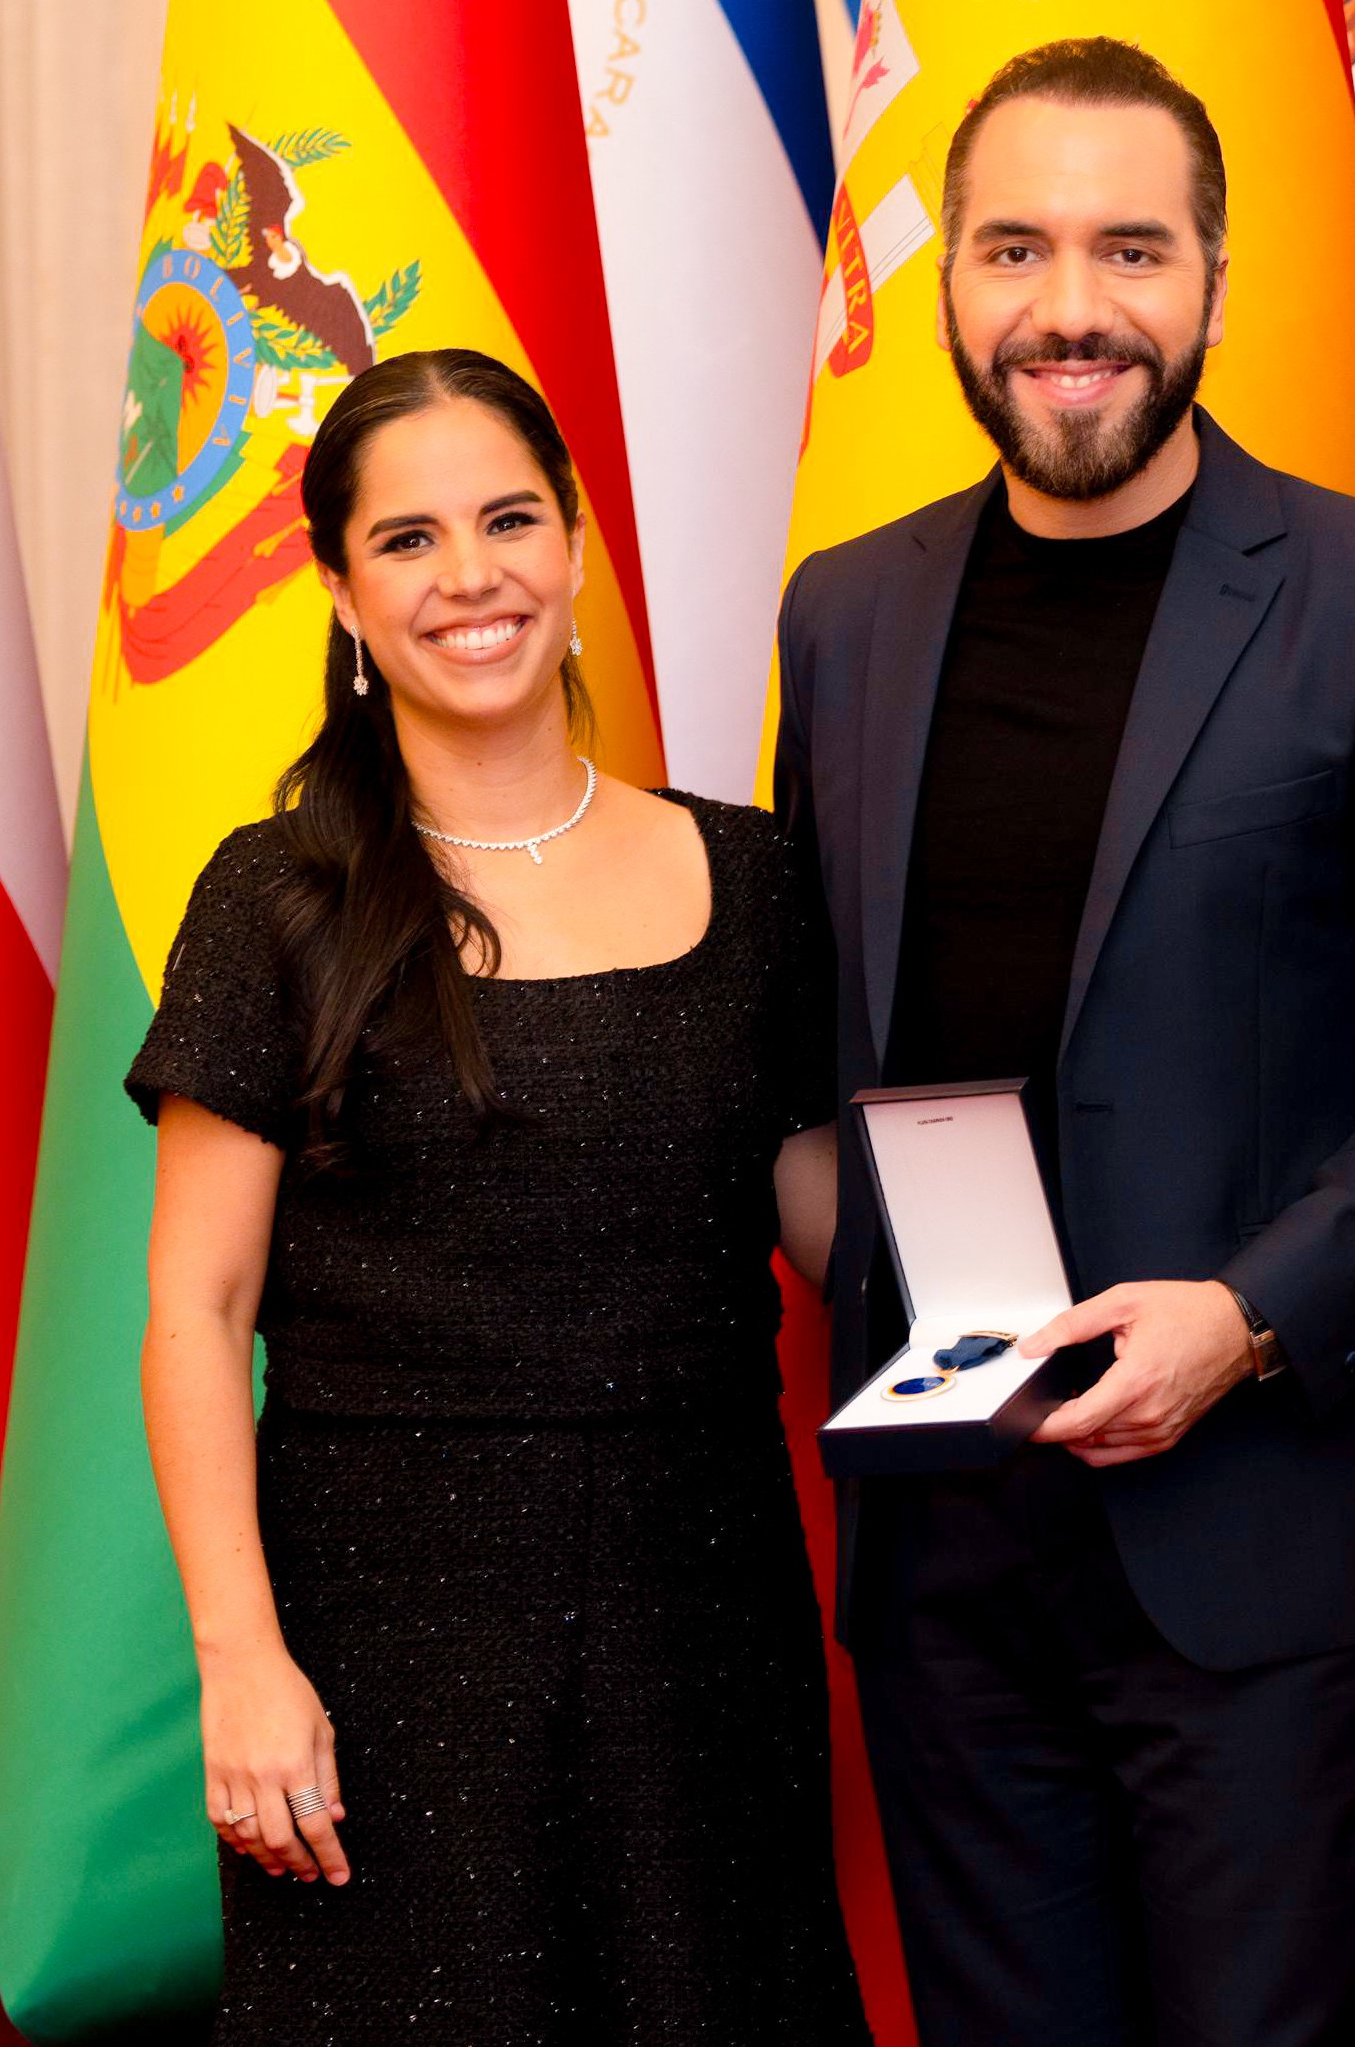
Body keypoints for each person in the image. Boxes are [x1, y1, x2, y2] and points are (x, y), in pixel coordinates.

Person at [773, 39, 1355, 2046]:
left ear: (1214, 276)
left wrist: (1248, 1317)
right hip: (943, 1554)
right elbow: (815, 1055)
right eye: (1014, 249)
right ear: (947, 282)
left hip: (1249, 1544)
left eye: (1129, 249)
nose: (1070, 307)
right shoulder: (843, 616)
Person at [130, 348, 868, 2043]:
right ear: (340, 592)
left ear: (578, 546)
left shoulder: (754, 875)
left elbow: (829, 1228)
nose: (469, 575)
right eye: (407, 539)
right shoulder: (276, 898)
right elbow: (195, 1310)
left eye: (509, 520)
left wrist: (1026, 1287)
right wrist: (241, 1660)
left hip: (705, 1620)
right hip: (387, 1645)